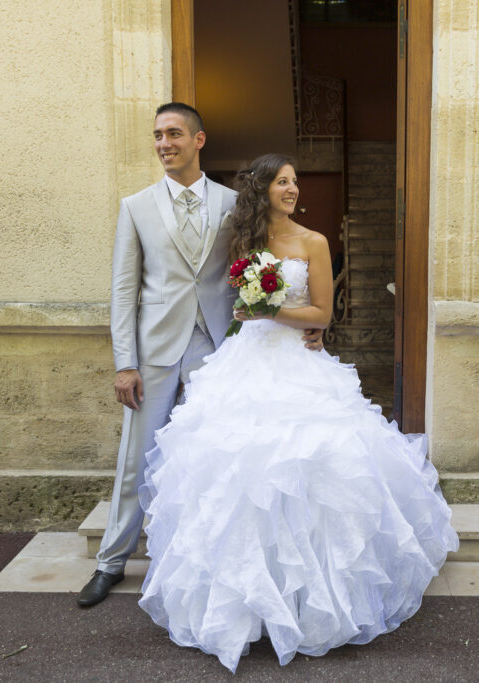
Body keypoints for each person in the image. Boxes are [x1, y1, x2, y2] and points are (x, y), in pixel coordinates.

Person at [135, 153, 459, 672]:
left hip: (297, 363)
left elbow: (321, 313)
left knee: (311, 470)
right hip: (245, 361)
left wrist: (269, 310)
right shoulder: (243, 240)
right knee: (240, 476)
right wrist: (252, 313)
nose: (291, 189)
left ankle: (311, 601)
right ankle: (248, 601)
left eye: (294, 181)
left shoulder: (314, 242)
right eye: (281, 182)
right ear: (261, 189)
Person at [78, 105, 320, 607]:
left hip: (221, 347)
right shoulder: (135, 207)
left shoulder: (236, 204)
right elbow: (123, 291)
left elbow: (269, 264)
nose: (164, 143)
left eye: (174, 134)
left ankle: (193, 562)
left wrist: (308, 324)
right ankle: (110, 562)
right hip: (155, 350)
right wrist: (125, 362)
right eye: (157, 136)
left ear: (198, 140)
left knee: (209, 460)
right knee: (136, 459)